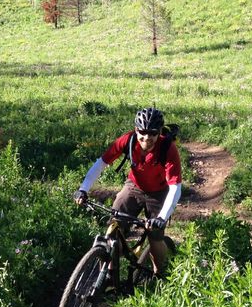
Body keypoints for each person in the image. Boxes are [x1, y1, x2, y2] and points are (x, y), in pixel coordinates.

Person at [73, 107, 182, 276]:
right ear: (136, 129)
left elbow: (175, 186)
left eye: (152, 133)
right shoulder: (128, 140)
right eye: (142, 132)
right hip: (134, 186)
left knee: (155, 235)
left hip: (160, 192)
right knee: (114, 225)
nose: (147, 137)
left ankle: (160, 275)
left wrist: (161, 217)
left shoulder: (167, 148)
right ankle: (109, 276)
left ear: (159, 131)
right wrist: (83, 189)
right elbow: (101, 163)